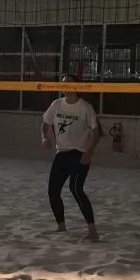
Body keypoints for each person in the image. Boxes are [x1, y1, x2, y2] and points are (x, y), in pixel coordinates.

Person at [40, 75, 101, 241]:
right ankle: (61, 226)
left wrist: (90, 151)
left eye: (68, 82)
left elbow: (96, 132)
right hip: (62, 153)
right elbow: (45, 124)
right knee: (53, 191)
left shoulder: (85, 107)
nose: (64, 85)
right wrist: (44, 138)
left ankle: (92, 231)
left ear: (76, 87)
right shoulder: (57, 104)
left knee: (76, 189)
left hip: (80, 153)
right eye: (63, 82)